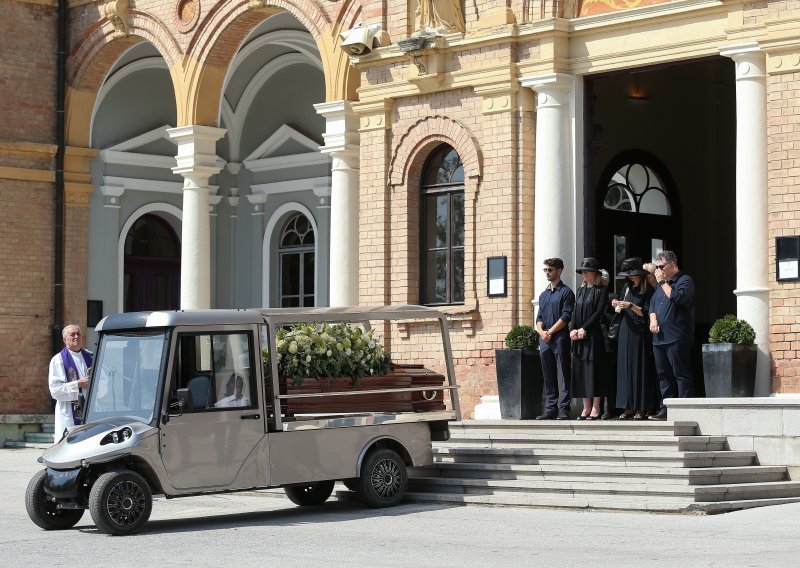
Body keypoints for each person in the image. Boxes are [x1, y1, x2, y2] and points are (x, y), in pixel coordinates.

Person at [649, 250, 695, 420]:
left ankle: (684, 409)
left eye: (661, 266)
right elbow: (653, 305)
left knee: (680, 373)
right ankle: (665, 409)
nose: (658, 270)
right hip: (659, 338)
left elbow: (677, 298)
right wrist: (652, 319)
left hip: (677, 336)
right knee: (663, 375)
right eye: (657, 267)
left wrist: (662, 282)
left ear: (672, 264)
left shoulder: (684, 281)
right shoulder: (661, 286)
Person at [613, 258, 659, 420]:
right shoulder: (626, 287)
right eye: (628, 275)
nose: (630, 277)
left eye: (632, 274)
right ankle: (628, 406)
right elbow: (620, 309)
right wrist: (617, 304)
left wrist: (631, 306)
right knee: (625, 367)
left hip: (640, 332)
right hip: (626, 329)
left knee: (639, 368)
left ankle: (641, 407)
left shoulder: (648, 290)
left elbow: (647, 313)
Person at [535, 258, 575, 420]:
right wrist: (541, 332)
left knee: (564, 373)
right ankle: (550, 408)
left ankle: (564, 408)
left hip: (559, 338)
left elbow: (566, 317)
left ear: (559, 270)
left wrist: (549, 331)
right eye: (545, 270)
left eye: (550, 270)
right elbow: (539, 318)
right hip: (545, 339)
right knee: (548, 373)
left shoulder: (566, 292)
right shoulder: (543, 295)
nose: (547, 273)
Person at [569, 258, 609, 420]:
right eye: (582, 271)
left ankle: (596, 407)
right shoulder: (580, 291)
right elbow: (574, 312)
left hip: (593, 335)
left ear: (594, 273)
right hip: (578, 337)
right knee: (581, 371)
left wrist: (584, 328)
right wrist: (572, 329)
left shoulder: (601, 290)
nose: (583, 274)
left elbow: (598, 312)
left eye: (586, 271)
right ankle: (586, 407)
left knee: (594, 371)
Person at [48, 324, 92, 442]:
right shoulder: (58, 360)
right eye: (72, 335)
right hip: (69, 412)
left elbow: (104, 383)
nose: (76, 337)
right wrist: (78, 384)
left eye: (78, 334)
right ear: (64, 339)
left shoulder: (91, 356)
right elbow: (55, 390)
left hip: (90, 410)